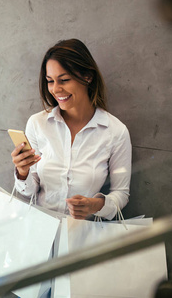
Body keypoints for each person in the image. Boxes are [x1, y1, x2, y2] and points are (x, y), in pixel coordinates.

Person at [11, 39, 132, 220]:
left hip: (82, 237)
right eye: (50, 81)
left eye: (64, 80)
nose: (55, 89)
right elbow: (29, 193)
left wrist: (95, 205)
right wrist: (22, 172)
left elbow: (121, 193)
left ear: (87, 77)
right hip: (39, 233)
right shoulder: (37, 123)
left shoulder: (115, 132)